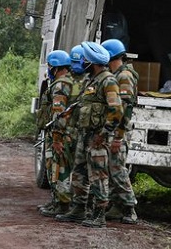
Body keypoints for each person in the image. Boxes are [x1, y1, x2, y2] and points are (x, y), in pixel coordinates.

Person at [56, 41, 123, 228]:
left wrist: (104, 134)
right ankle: (78, 209)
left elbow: (116, 111)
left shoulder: (108, 81)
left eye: (85, 59)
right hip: (85, 135)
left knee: (98, 175)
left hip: (98, 137)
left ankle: (99, 214)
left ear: (92, 62)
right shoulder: (90, 81)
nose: (82, 61)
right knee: (79, 173)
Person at [101, 38, 139, 224]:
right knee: (112, 168)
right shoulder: (117, 73)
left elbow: (125, 109)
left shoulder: (124, 76)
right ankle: (116, 207)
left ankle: (130, 208)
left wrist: (118, 137)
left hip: (119, 131)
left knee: (117, 170)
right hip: (116, 130)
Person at [38, 50, 74, 217]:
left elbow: (58, 114)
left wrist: (57, 138)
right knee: (55, 168)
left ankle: (62, 204)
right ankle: (56, 202)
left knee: (58, 169)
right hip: (61, 133)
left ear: (56, 68)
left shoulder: (60, 85)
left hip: (60, 134)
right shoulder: (67, 82)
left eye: (50, 67)